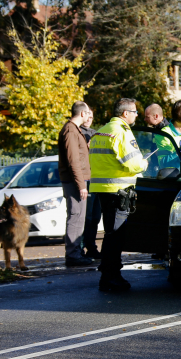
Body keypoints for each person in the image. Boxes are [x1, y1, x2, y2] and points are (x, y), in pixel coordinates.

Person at [89, 98, 148, 292]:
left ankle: (108, 274)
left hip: (102, 189)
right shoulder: (121, 132)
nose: (136, 115)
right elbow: (132, 163)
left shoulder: (101, 131)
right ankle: (111, 277)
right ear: (125, 113)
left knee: (110, 234)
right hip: (118, 191)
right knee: (115, 236)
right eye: (135, 112)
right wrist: (145, 163)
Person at [58, 101, 94, 267]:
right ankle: (73, 254)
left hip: (77, 181)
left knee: (78, 217)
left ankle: (76, 253)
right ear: (81, 114)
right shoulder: (71, 131)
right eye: (87, 114)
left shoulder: (73, 130)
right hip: (75, 182)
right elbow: (73, 160)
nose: (88, 117)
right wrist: (81, 185)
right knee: (76, 217)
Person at [80, 109, 102, 259]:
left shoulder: (95, 133)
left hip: (97, 179)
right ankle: (81, 248)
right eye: (87, 116)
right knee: (86, 217)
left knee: (95, 217)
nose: (89, 119)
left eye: (92, 117)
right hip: (85, 180)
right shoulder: (78, 132)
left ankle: (92, 247)